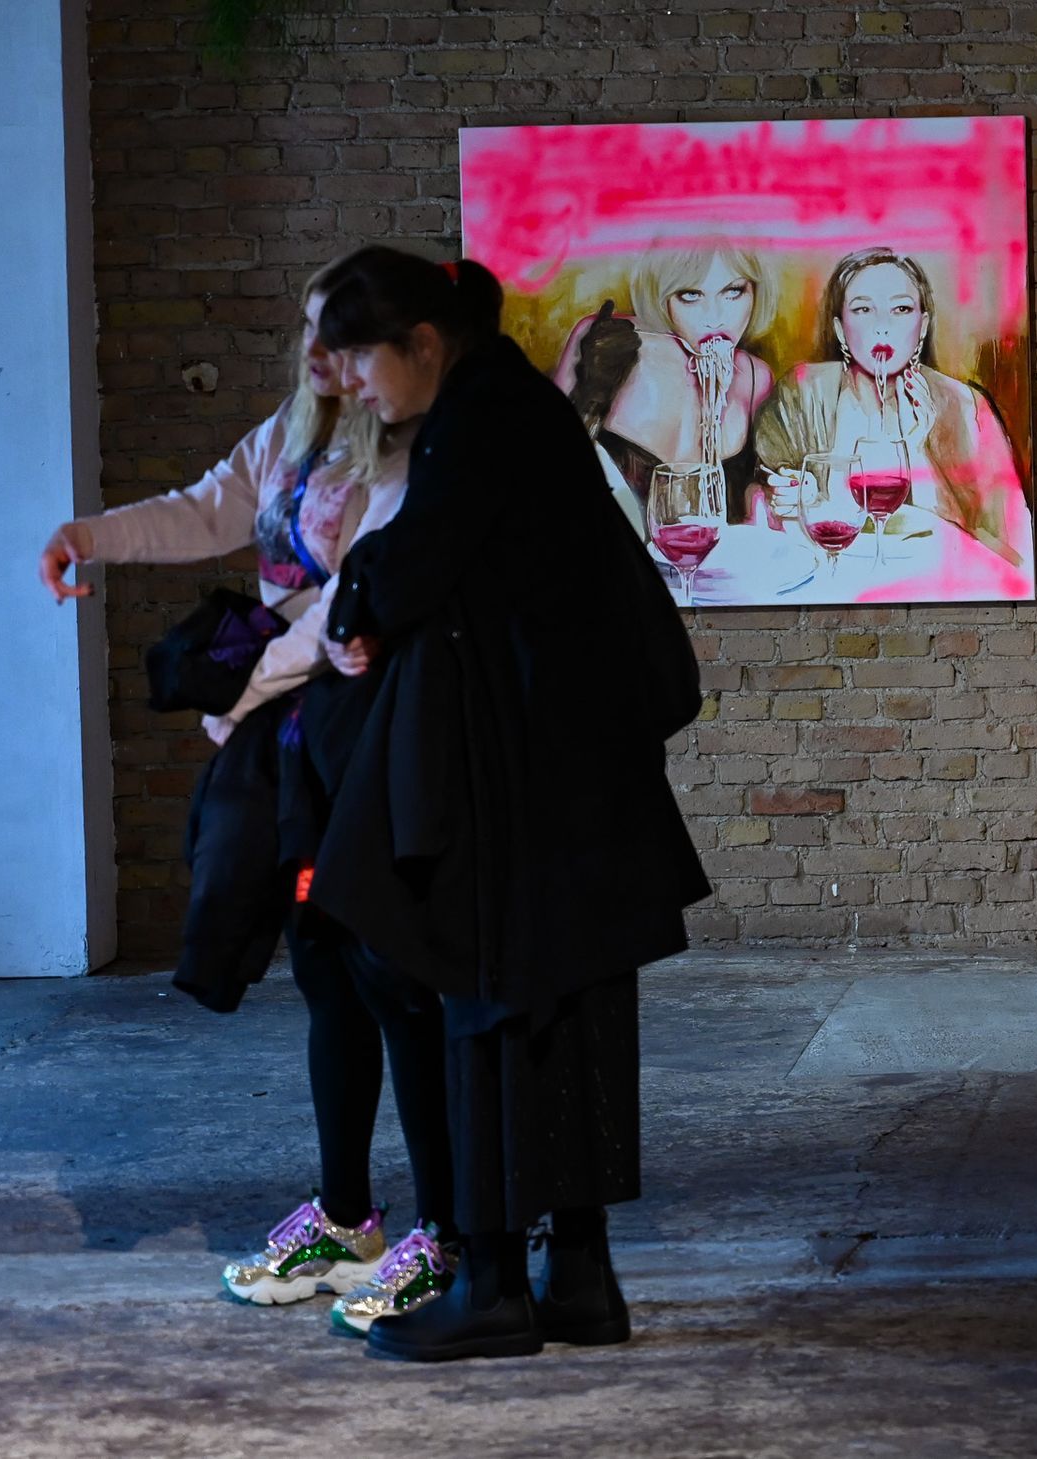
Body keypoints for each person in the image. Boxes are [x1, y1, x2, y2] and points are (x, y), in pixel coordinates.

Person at [302, 246, 709, 1362]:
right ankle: (576, 1278)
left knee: (487, 1016)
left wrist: (354, 601)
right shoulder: (513, 405)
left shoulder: (479, 415)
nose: (354, 385)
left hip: (519, 791)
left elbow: (411, 564)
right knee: (565, 1028)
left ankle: (490, 1286)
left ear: (423, 342)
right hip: (574, 782)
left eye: (361, 360)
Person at [37, 257, 460, 1328]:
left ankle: (449, 1230)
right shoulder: (291, 434)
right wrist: (89, 537)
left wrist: (241, 700)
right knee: (324, 970)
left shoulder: (405, 451)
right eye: (309, 331)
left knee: (394, 977)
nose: (319, 354)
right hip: (293, 742)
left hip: (362, 733)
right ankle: (349, 1218)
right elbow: (205, 509)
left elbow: (343, 616)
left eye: (339, 336)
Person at [754, 246, 1032, 567]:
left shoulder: (965, 407)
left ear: (922, 326)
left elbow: (1016, 550)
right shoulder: (803, 392)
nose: (882, 326)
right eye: (863, 309)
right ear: (841, 330)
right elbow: (760, 505)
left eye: (901, 309)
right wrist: (789, 497)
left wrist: (918, 449)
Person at [552, 239, 776, 527]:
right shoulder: (605, 343)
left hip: (707, 554)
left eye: (733, 291)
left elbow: (753, 497)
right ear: (661, 294)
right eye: (690, 295)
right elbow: (546, 458)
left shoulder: (756, 378)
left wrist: (767, 497)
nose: (715, 318)